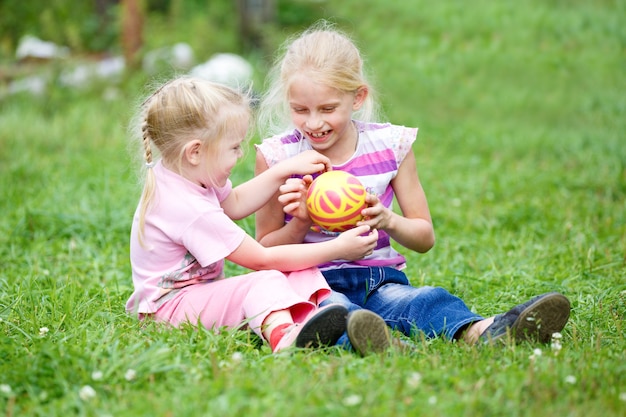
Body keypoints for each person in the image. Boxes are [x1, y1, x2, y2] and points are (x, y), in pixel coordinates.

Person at [254, 22, 571, 349]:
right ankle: (377, 340)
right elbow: (263, 250)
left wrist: (387, 220)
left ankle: (487, 331)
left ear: (358, 97)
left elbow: (424, 238)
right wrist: (302, 222)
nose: (314, 123)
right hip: (310, 283)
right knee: (332, 315)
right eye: (300, 110)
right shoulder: (279, 158)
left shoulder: (390, 146)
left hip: (377, 281)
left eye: (328, 109)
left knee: (423, 301)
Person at [125, 75, 391, 354]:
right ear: (195, 152)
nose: (240, 155)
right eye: (234, 147)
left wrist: (282, 169)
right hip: (169, 313)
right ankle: (286, 338)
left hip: (199, 298)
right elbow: (261, 260)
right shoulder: (188, 208)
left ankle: (327, 322)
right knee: (267, 279)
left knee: (300, 271)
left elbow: (236, 202)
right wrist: (338, 247)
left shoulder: (187, 173)